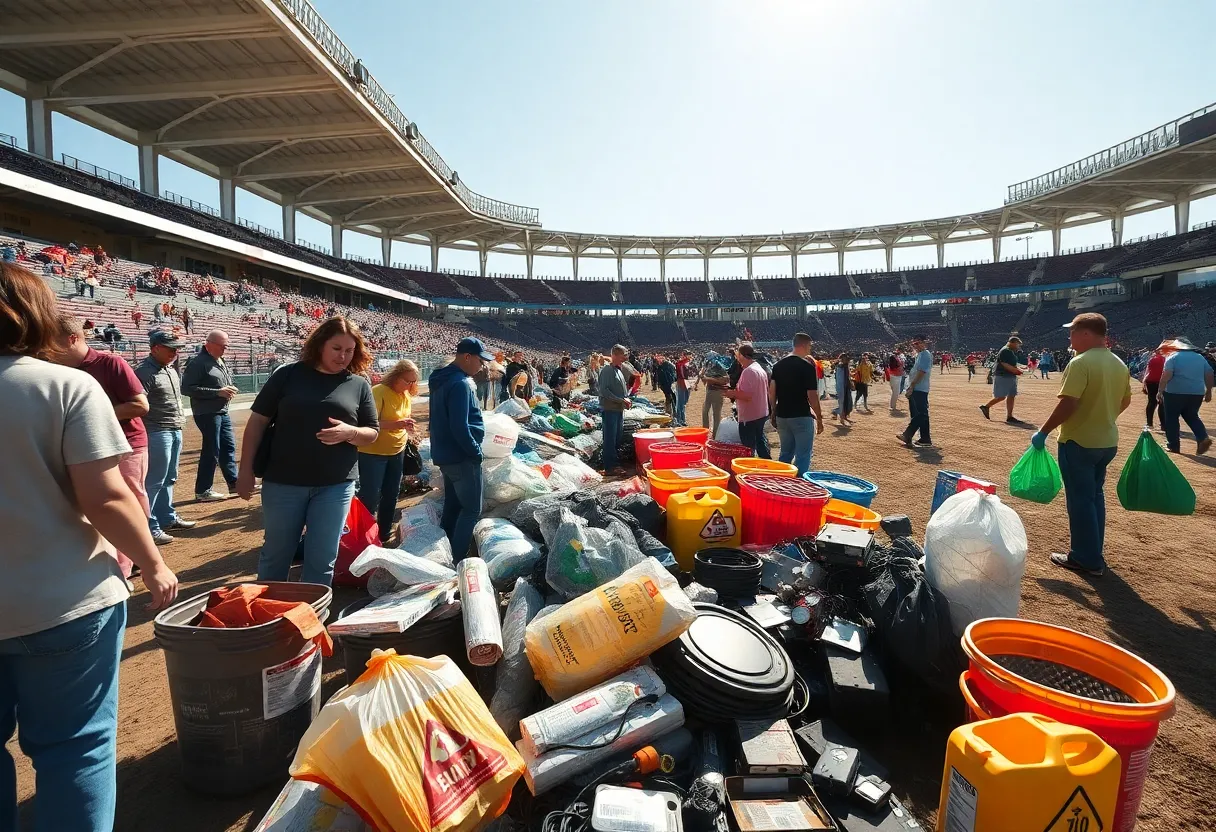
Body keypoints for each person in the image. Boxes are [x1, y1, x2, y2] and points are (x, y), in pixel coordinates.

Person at [0, 263, 178, 831]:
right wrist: (152, 563)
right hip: (64, 599)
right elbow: (106, 497)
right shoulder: (65, 385)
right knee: (76, 749)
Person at [236, 317, 379, 584]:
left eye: (349, 350)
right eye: (337, 348)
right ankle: (268, 616)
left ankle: (311, 618)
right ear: (320, 344)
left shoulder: (358, 384)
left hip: (335, 485)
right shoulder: (288, 374)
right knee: (276, 554)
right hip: (284, 482)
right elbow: (257, 423)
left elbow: (372, 432)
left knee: (322, 558)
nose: (343, 356)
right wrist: (245, 470)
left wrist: (351, 432)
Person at [49, 314, 152, 581]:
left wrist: (88, 415)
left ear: (72, 339)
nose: (45, 348)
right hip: (83, 448)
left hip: (126, 446)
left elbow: (140, 405)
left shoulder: (110, 362)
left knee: (125, 501)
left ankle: (131, 563)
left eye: (51, 341)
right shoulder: (55, 369)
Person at [1029, 313, 1131, 577]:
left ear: (1086, 333)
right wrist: (1103, 417)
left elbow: (1069, 402)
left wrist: (1044, 431)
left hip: (1079, 441)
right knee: (1095, 497)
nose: (1069, 337)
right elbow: (1125, 400)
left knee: (1080, 500)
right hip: (1106, 441)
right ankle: (1093, 551)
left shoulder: (1080, 363)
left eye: (1072, 331)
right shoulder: (1118, 363)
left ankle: (1085, 557)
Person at [428, 339, 494, 560]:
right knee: (471, 511)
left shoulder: (442, 378)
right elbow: (460, 426)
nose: (482, 366)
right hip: (461, 456)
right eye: (480, 360)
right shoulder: (460, 383)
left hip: (445, 454)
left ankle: (443, 554)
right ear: (467, 357)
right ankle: (458, 560)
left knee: (453, 506)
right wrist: (475, 452)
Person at [137, 329, 196, 544]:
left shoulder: (169, 369)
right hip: (156, 430)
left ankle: (166, 518)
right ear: (155, 349)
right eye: (170, 348)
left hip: (174, 427)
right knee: (154, 481)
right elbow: (139, 403)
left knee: (169, 477)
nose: (175, 352)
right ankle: (149, 526)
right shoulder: (144, 371)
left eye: (176, 348)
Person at [358, 359, 419, 542]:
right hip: (373, 452)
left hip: (397, 450)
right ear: (396, 376)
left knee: (392, 493)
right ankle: (363, 536)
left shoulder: (406, 395)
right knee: (370, 495)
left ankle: (383, 532)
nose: (410, 385)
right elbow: (367, 423)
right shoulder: (378, 392)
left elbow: (404, 419)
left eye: (413, 381)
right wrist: (397, 424)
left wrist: (407, 429)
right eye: (407, 381)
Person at [182, 330, 241, 501]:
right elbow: (186, 388)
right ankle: (203, 490)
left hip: (221, 411)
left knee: (228, 447)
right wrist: (217, 392)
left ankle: (233, 484)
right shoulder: (198, 363)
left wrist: (229, 388)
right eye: (223, 346)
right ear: (209, 345)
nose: (226, 349)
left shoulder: (219, 360)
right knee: (211, 449)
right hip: (206, 413)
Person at [768, 333, 824, 475]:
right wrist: (819, 417)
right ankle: (798, 488)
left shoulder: (778, 366)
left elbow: (772, 392)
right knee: (803, 456)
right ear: (804, 345)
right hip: (800, 415)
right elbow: (812, 396)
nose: (810, 349)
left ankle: (781, 484)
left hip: (782, 415)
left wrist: (774, 411)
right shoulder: (807, 366)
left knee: (785, 453)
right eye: (810, 346)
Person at [1157, 337, 1213, 455]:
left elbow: (1166, 375)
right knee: (1192, 416)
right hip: (1196, 393)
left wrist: (1160, 391)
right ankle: (1202, 437)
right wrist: (1208, 391)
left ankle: (1173, 446)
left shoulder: (1173, 357)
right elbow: (1209, 373)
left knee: (1172, 418)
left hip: (1174, 393)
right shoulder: (1200, 358)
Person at [726, 344, 771, 458]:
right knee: (760, 444)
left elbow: (747, 396)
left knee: (749, 448)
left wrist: (730, 393)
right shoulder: (758, 368)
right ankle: (767, 465)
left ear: (741, 355)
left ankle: (753, 468)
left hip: (750, 416)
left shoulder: (748, 371)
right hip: (760, 413)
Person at [598, 345, 631, 476]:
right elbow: (604, 391)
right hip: (610, 409)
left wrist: (626, 399)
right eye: (623, 355)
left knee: (616, 437)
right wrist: (621, 400)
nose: (625, 358)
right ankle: (611, 466)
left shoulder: (618, 370)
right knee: (610, 439)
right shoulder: (607, 370)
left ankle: (614, 464)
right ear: (615, 355)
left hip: (618, 409)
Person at [897, 335, 933, 447]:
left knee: (920, 413)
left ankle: (908, 434)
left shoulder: (925, 355)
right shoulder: (920, 355)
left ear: (924, 343)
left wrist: (912, 386)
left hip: (919, 388)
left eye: (917, 343)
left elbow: (922, 372)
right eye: (914, 344)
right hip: (917, 387)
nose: (915, 346)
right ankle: (925, 438)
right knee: (921, 414)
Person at [981, 335, 1024, 423]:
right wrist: (1017, 371)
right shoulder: (1005, 351)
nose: (1018, 347)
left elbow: (1011, 363)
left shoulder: (1010, 351)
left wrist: (1019, 369)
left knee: (1011, 395)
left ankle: (1010, 416)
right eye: (1017, 344)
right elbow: (1005, 364)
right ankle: (986, 407)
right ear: (1012, 343)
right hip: (1003, 375)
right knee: (1001, 396)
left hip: (1010, 376)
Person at [699, 352, 731, 436]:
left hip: (717, 392)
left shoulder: (720, 367)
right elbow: (704, 379)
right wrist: (702, 376)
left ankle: (715, 435)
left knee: (716, 414)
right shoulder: (709, 366)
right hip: (709, 391)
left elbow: (725, 380)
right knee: (705, 412)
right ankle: (705, 432)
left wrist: (709, 379)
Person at [1140, 344, 1167, 429]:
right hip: (1162, 382)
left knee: (1151, 402)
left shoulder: (1152, 359)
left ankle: (1149, 423)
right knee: (1161, 403)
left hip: (1150, 381)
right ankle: (1163, 425)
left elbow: (1147, 372)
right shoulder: (1167, 359)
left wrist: (1144, 384)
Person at [675, 349, 696, 427]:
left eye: (689, 354)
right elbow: (681, 374)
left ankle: (682, 419)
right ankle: (680, 420)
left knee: (684, 402)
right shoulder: (680, 363)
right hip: (681, 383)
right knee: (681, 402)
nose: (689, 356)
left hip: (688, 383)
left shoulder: (690, 363)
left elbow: (694, 374)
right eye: (687, 354)